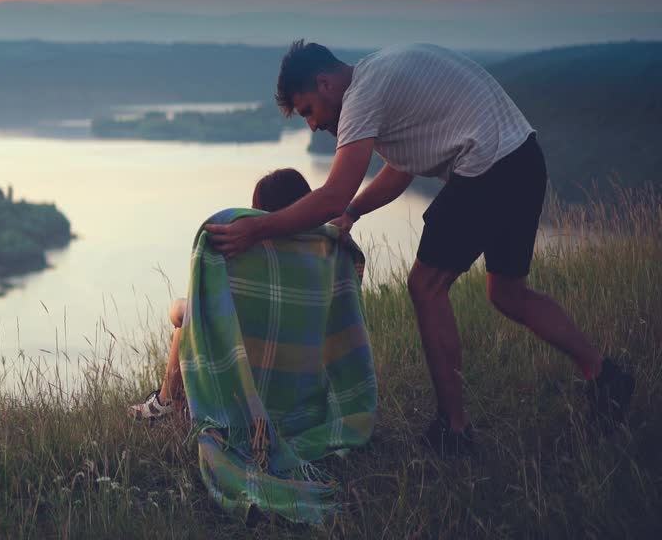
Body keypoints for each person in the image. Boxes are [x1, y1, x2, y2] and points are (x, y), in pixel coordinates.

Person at [204, 41, 634, 453]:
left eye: (309, 112)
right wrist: (353, 212)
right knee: (507, 292)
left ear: (324, 83)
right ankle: (603, 374)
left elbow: (332, 193)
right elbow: (399, 170)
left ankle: (454, 431)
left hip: (489, 168)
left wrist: (259, 230)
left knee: (425, 285)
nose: (313, 125)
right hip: (522, 158)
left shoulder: (361, 96)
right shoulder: (379, 77)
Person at [128, 168, 313, 422]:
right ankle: (166, 403)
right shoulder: (322, 257)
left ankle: (165, 403)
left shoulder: (253, 260)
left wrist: (177, 309)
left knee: (187, 321)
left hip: (252, 375)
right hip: (304, 380)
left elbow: (192, 313)